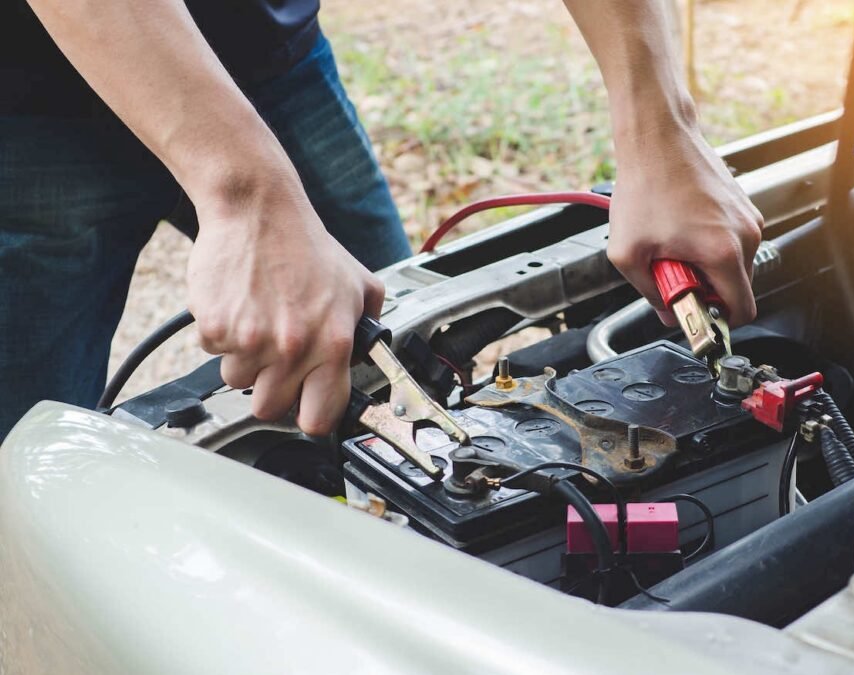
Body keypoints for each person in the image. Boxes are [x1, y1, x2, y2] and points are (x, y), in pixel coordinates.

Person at [0, 1, 763, 439]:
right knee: (24, 456)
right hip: (29, 108)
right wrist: (246, 189)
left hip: (270, 52)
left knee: (400, 363)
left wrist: (662, 127)